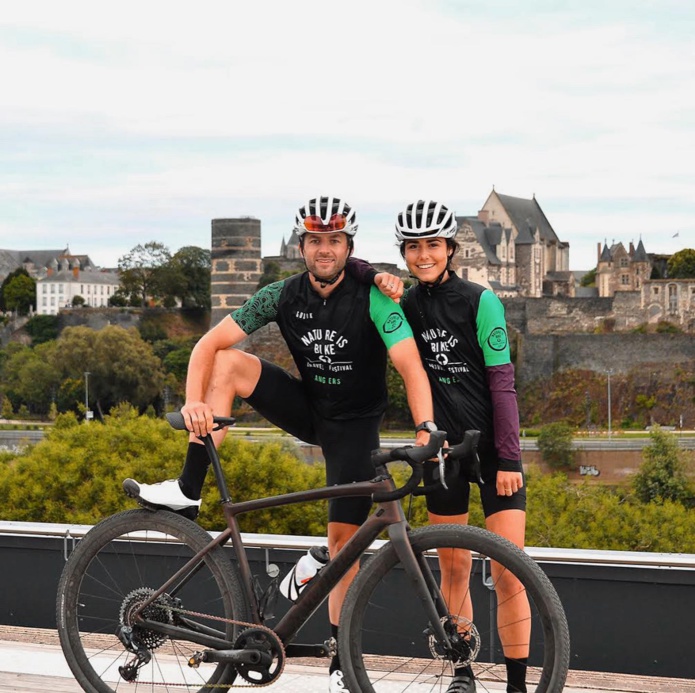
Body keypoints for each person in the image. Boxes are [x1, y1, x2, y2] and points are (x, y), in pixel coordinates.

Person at [124, 196, 434, 693]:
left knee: (343, 548)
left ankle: (339, 664)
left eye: (334, 240)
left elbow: (411, 366)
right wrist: (192, 404)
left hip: (354, 426)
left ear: (348, 245)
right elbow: (206, 345)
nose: (324, 250)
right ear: (302, 246)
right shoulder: (280, 295)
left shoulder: (374, 294)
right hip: (307, 406)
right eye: (315, 241)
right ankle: (188, 487)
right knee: (226, 362)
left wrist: (424, 429)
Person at [349, 199, 529, 693]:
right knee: (454, 567)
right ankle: (463, 673)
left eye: (433, 245)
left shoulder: (481, 300)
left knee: (509, 570)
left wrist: (510, 457)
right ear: (404, 252)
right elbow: (354, 274)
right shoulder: (405, 305)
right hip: (442, 450)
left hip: (493, 448)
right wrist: (376, 274)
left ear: (450, 248)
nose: (423, 255)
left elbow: (502, 384)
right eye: (413, 247)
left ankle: (516, 684)